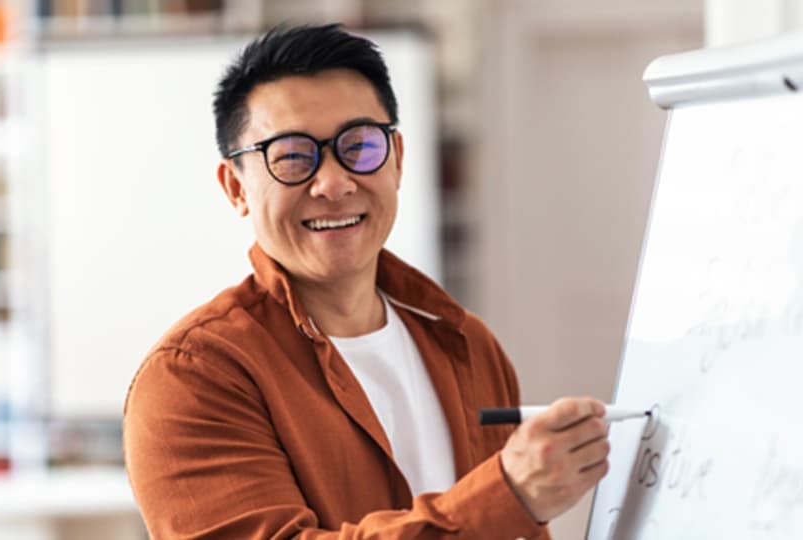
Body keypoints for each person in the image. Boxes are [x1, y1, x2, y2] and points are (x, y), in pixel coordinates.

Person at [123, 23, 610, 539]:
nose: (334, 183)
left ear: (396, 159)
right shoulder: (193, 377)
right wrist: (504, 497)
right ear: (235, 188)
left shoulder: (468, 345)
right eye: (292, 156)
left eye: (358, 145)